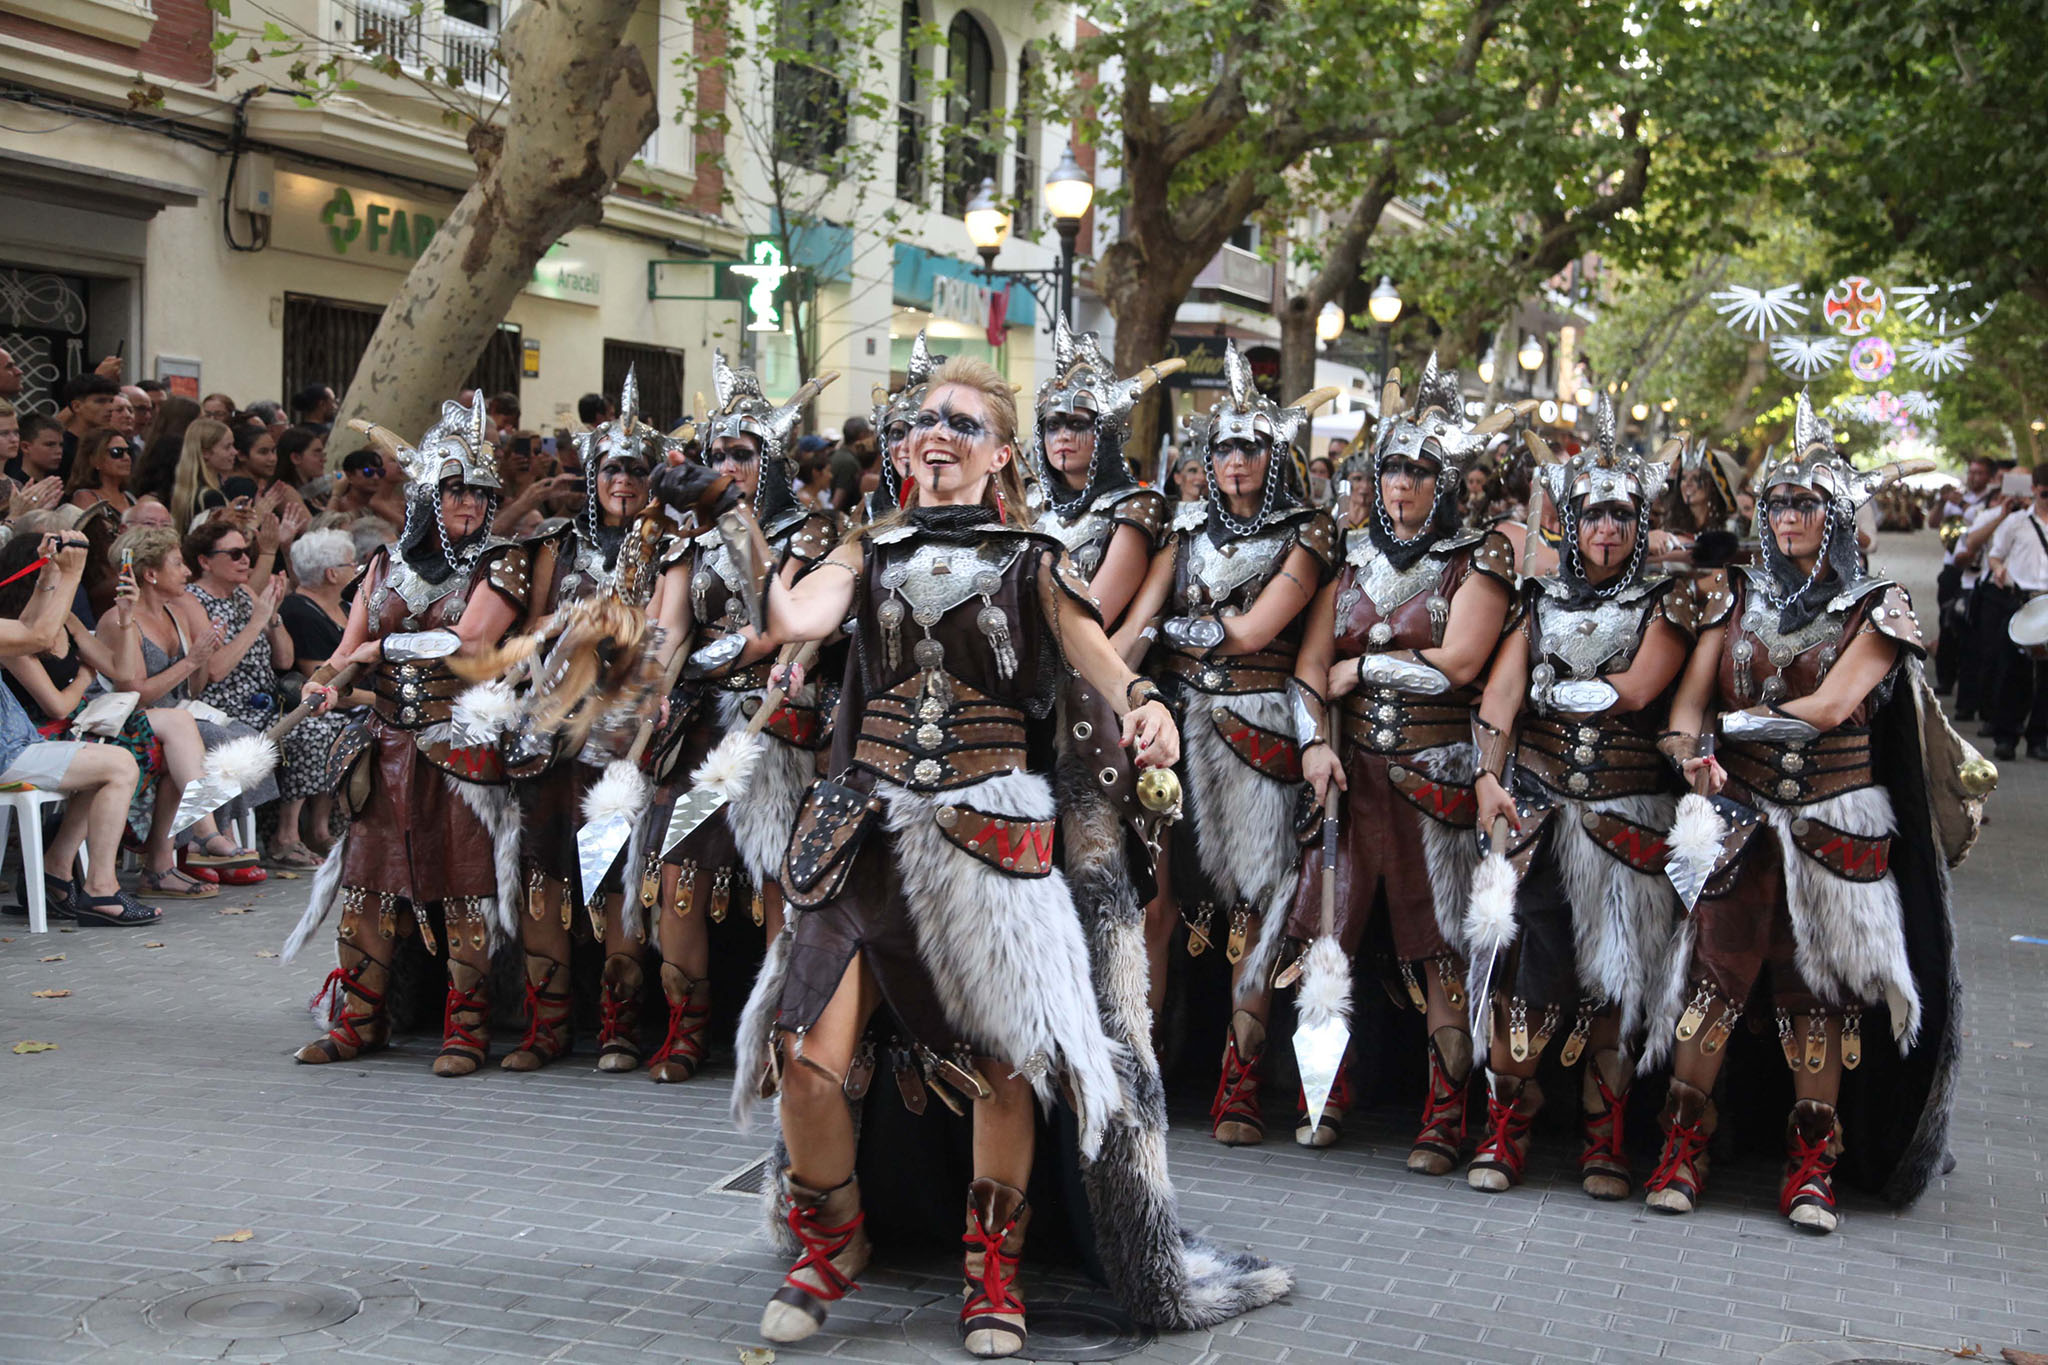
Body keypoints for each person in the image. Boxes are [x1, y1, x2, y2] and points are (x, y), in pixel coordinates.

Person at [731, 354, 1288, 1357]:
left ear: (995, 455)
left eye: (961, 422)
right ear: (904, 446)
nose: (935, 431)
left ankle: (994, 1268)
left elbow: (1102, 663)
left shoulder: (1033, 555)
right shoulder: (867, 546)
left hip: (989, 834)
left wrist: (1147, 707)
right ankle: (833, 1237)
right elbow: (802, 618)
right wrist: (749, 543)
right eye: (921, 420)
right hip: (859, 832)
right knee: (802, 1060)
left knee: (999, 1066)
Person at [1645, 393, 1958, 1234]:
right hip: (1740, 818)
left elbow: (1828, 706)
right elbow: (1682, 712)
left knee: (1818, 995)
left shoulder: (1878, 604)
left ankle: (1813, 1163)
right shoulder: (1733, 596)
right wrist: (1690, 754)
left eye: (1806, 503)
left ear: (1835, 513)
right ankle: (1683, 1146)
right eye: (1779, 502)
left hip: (1836, 822)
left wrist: (1730, 726)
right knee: (1710, 987)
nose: (1789, 517)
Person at [1267, 358, 1517, 1155]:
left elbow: (1465, 661)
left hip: (1433, 775)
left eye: (1418, 470)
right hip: (1348, 777)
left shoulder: (1478, 559)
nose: (1401, 483)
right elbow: (1310, 668)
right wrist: (1312, 744)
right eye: (1391, 468)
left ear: (1445, 482)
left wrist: (1368, 666)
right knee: (1325, 936)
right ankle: (1322, 1096)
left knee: (1440, 944)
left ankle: (1445, 1115)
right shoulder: (1345, 558)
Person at [1109, 341, 1339, 1142]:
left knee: (1253, 910)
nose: (1234, 461)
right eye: (1223, 447)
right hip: (1174, 731)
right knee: (1156, 904)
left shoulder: (1307, 536)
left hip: (1261, 731)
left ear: (1276, 455)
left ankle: (1239, 1080)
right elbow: (1136, 630)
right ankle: (1145, 1063)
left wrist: (1174, 633)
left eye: (1250, 447)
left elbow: (1252, 635)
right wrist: (1113, 686)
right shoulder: (1184, 528)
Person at [1463, 400, 1690, 1196]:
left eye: (1620, 515)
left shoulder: (1667, 603)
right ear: (1572, 519)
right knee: (1529, 977)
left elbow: (1634, 690)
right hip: (1543, 819)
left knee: (1615, 986)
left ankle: (1606, 1141)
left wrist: (1551, 692)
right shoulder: (1536, 601)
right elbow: (1498, 700)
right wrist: (1487, 773)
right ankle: (1505, 1130)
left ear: (1639, 521)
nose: (1605, 530)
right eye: (1592, 514)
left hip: (1628, 821)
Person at [285, 394, 533, 1074]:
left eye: (480, 492)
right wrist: (326, 679)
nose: (469, 504)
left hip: (461, 750)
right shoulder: (385, 562)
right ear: (429, 492)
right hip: (387, 744)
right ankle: (360, 1022)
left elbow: (470, 638)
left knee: (463, 890)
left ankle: (467, 1030)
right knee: (367, 890)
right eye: (455, 490)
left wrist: (374, 655)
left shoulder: (501, 560)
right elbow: (349, 643)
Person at [634, 352, 839, 1084]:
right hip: (697, 728)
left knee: (780, 881)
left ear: (771, 459)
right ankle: (686, 1033)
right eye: (718, 452)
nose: (729, 464)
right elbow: (667, 626)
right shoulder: (690, 536)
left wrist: (707, 660)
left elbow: (774, 628)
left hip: (773, 725)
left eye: (742, 454)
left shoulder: (808, 531)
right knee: (677, 876)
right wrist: (648, 684)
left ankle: (780, 1040)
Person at [0, 529, 162, 926]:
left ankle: (64, 869)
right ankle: (100, 890)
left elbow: (122, 673)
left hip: (19, 742)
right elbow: (34, 634)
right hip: (13, 748)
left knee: (118, 754)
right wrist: (72, 572)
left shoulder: (56, 618)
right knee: (120, 762)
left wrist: (124, 620)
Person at [118, 522, 273, 886]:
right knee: (208, 736)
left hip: (175, 713)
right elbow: (134, 695)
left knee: (244, 737)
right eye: (177, 563)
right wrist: (191, 662)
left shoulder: (175, 612)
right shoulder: (121, 619)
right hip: (132, 717)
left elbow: (195, 687)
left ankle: (174, 860)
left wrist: (200, 657)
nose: (187, 571)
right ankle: (208, 834)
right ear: (151, 574)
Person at [1029, 321, 1180, 631]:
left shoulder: (1135, 507)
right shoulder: (1030, 502)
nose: (1063, 436)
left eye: (1078, 424)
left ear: (1107, 433)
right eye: (1053, 425)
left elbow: (1095, 617)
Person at [274, 528, 363, 863]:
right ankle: (301, 832)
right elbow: (322, 674)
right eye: (352, 563)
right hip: (316, 702)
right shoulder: (298, 610)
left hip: (351, 700)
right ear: (332, 573)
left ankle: (331, 827)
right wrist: (380, 697)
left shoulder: (346, 604)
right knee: (330, 729)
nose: (357, 569)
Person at [1982, 462, 2048, 760]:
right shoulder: (2017, 522)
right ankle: (2006, 736)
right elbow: (1995, 556)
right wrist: (1998, 572)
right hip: (2020, 601)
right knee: (2012, 673)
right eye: (2046, 493)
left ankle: (2039, 739)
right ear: (2034, 489)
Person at [1935, 455, 1998, 715]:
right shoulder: (1965, 504)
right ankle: (1947, 679)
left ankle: (1975, 700)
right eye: (1971, 472)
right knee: (1950, 627)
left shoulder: (1987, 506)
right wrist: (1942, 501)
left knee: (1977, 644)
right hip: (1956, 571)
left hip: (1981, 580)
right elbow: (1934, 524)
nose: (1974, 477)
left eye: (1979, 473)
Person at [170, 418, 236, 530]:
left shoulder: (185, 491)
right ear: (206, 453)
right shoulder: (210, 497)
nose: (234, 452)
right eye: (227, 447)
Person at [59, 374, 121, 475]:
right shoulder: (60, 449)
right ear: (77, 406)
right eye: (101, 401)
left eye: (111, 401)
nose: (110, 408)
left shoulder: (114, 444)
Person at [63, 428, 137, 513]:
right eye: (117, 452)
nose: (127, 458)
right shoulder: (85, 497)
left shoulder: (130, 498)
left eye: (128, 451)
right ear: (94, 460)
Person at [10, 413, 66, 487]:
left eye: (61, 445)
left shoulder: (57, 485)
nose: (59, 451)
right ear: (25, 447)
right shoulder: (13, 487)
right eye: (49, 444)